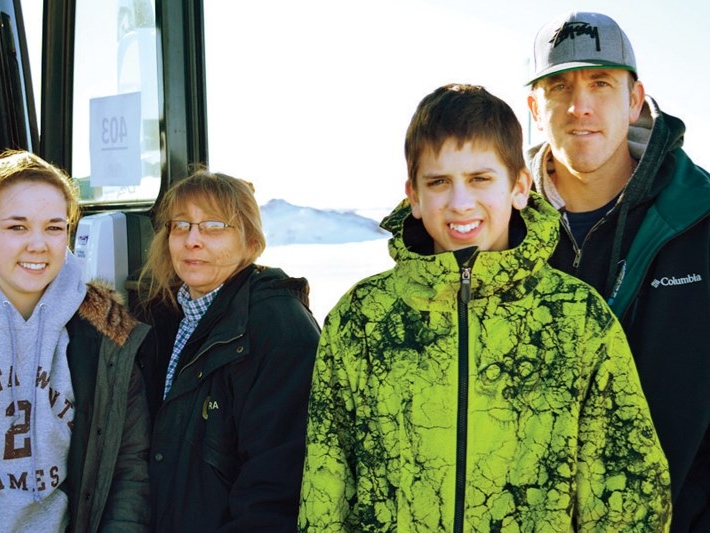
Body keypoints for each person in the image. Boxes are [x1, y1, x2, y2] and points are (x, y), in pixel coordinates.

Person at [298, 83, 671, 532]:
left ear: (518, 186)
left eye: (480, 179)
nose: (460, 203)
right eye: (439, 182)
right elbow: (327, 485)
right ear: (413, 196)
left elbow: (626, 495)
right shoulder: (362, 318)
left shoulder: (576, 318)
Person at [526, 12, 710, 531]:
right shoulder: (501, 234)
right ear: (535, 108)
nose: (580, 105)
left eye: (601, 83)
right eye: (559, 86)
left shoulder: (699, 221)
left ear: (635, 100)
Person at [0, 150, 151, 532]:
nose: (38, 244)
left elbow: (128, 468)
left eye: (54, 228)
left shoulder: (108, 335)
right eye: (17, 227)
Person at [136, 168, 320, 531]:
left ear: (251, 243)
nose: (192, 240)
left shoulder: (279, 330)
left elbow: (277, 486)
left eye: (214, 226)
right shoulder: (161, 318)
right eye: (181, 225)